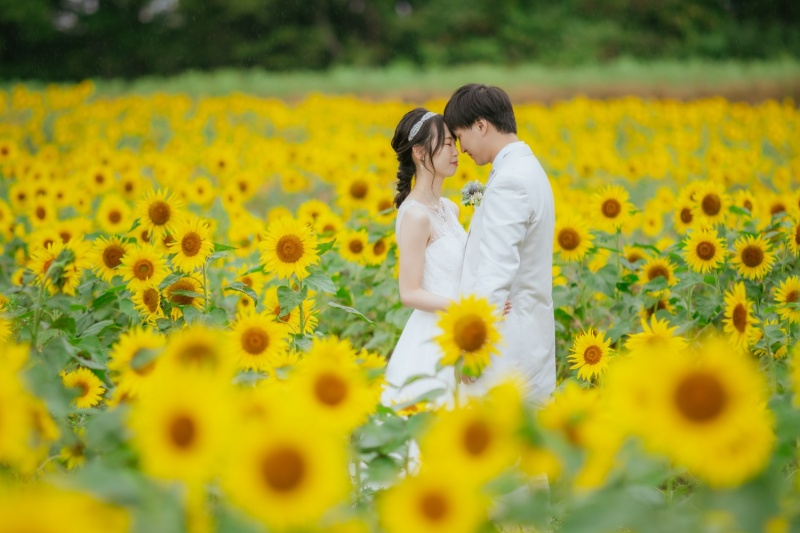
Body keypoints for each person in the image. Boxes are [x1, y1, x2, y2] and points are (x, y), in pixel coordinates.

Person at [443, 83, 556, 407]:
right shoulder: (528, 168)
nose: (461, 149)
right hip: (529, 335)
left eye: (460, 136)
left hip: (506, 346)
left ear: (481, 125)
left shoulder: (510, 181)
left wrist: (472, 347)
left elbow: (496, 270)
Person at [380, 107, 466, 407]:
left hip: (461, 330)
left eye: (455, 143)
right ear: (418, 152)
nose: (455, 151)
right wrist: (465, 311)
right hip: (434, 336)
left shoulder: (450, 209)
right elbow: (410, 292)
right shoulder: (415, 216)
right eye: (446, 144)